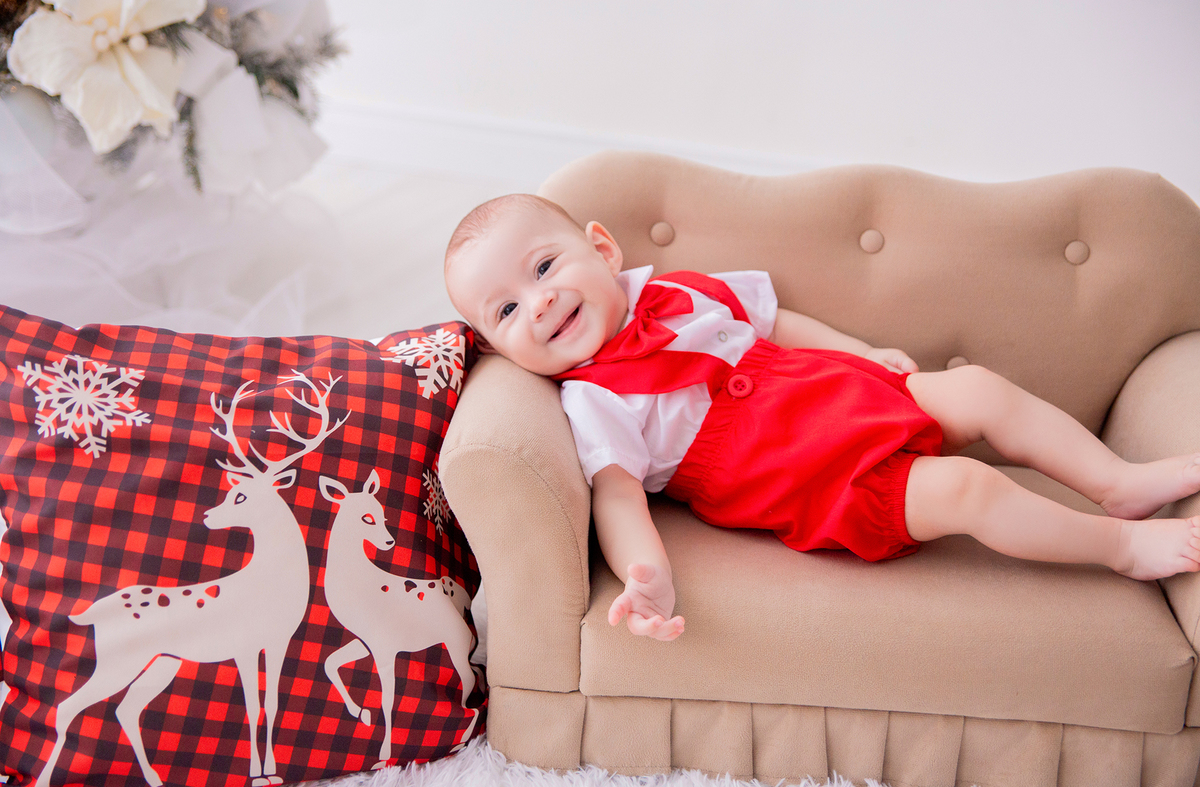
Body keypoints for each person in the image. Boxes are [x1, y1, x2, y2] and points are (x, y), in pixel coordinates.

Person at [443, 193, 1200, 642]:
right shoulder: (593, 401)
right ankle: (1121, 547)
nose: (537, 301)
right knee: (968, 488)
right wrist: (649, 578)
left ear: (601, 249)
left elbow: (782, 324)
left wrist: (867, 353)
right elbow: (617, 496)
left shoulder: (685, 292)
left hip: (845, 394)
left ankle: (1116, 481)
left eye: (543, 268)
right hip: (817, 478)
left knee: (981, 391)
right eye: (507, 309)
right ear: (501, 346)